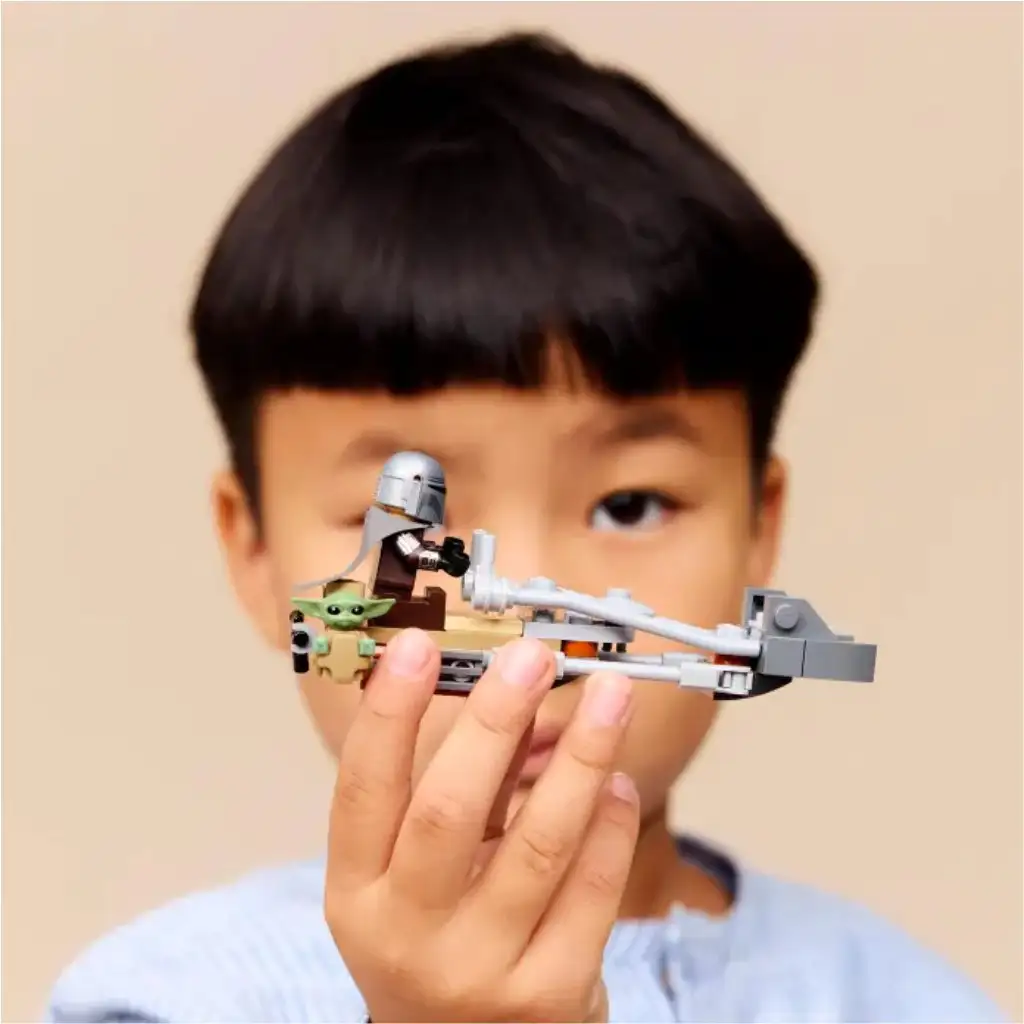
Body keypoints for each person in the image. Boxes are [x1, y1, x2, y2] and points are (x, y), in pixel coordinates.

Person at [46, 31, 1006, 1024]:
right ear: (252, 550)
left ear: (759, 527)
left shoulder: (907, 1004)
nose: (530, 650)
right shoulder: (159, 1001)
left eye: (628, 505)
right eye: (413, 523)